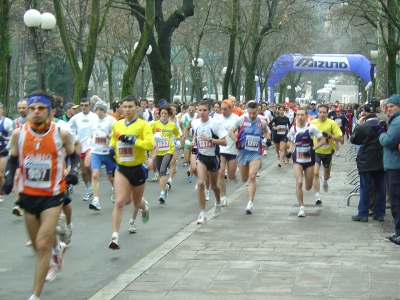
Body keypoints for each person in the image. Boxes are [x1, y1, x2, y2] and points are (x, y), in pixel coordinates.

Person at [3, 90, 79, 300]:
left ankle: (35, 295)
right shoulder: (20, 134)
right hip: (28, 195)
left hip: (52, 195)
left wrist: (72, 171)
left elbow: (74, 156)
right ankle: (57, 249)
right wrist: (9, 179)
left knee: (42, 244)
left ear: (50, 111)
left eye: (40, 108)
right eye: (32, 108)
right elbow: (12, 160)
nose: (35, 112)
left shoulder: (60, 133)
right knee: (37, 245)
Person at [108, 95, 154, 249]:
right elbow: (114, 140)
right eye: (124, 106)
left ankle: (144, 206)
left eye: (130, 107)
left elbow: (149, 144)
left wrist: (133, 141)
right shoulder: (117, 125)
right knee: (119, 201)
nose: (126, 110)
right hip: (122, 167)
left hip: (138, 168)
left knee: (135, 201)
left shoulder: (143, 125)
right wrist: (110, 148)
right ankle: (114, 237)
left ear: (136, 108)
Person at [229, 102, 271, 214]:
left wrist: (268, 139)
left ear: (258, 111)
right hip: (243, 152)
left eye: (254, 113)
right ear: (247, 111)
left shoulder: (261, 121)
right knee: (244, 179)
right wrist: (236, 141)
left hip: (255, 153)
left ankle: (250, 203)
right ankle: (240, 172)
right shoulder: (242, 120)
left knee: (252, 176)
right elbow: (231, 132)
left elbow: (267, 131)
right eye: (250, 113)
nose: (252, 115)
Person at [190, 100, 227, 224]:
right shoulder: (195, 123)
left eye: (204, 110)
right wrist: (192, 142)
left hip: (213, 157)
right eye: (200, 110)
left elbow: (224, 142)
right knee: (201, 182)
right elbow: (192, 131)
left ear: (209, 111)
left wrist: (210, 139)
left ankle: (217, 202)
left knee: (214, 185)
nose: (202, 113)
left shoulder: (215, 124)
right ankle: (202, 213)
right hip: (202, 157)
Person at [350, 100, 386, 222]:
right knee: (381, 187)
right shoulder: (383, 125)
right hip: (380, 160)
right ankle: (380, 212)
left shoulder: (364, 126)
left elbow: (354, 140)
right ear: (375, 111)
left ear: (364, 113)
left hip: (366, 160)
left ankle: (363, 213)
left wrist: (358, 126)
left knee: (365, 187)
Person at [287, 108, 325, 217]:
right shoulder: (293, 129)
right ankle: (301, 208)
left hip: (309, 160)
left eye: (302, 115)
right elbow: (292, 142)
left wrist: (314, 148)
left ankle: (312, 189)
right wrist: (290, 151)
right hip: (297, 159)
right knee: (299, 182)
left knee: (308, 186)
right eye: (297, 115)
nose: (300, 117)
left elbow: (322, 140)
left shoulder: (311, 128)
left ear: (306, 116)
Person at [373, 94, 400, 244]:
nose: (389, 109)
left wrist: (381, 133)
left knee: (396, 199)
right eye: (387, 106)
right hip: (394, 164)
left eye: (392, 106)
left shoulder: (397, 122)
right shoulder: (394, 121)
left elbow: (389, 142)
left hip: (396, 165)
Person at [311, 104, 343, 204]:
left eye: (324, 112)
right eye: (320, 112)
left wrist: (329, 136)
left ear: (327, 113)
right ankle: (317, 196)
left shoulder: (332, 123)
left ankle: (324, 180)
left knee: (327, 174)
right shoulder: (312, 123)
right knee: (315, 173)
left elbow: (340, 138)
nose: (322, 114)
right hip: (316, 151)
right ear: (317, 112)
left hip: (328, 152)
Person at [68, 98, 99, 201]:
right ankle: (89, 189)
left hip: (91, 145)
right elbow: (67, 128)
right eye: (82, 105)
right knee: (83, 171)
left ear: (90, 106)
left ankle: (93, 185)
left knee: (87, 164)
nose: (84, 107)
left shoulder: (94, 116)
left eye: (86, 105)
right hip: (80, 145)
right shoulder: (76, 117)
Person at [88, 101, 116, 211]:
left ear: (105, 110)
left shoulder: (111, 120)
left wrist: (108, 135)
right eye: (97, 110)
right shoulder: (93, 119)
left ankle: (114, 189)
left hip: (108, 152)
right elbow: (92, 130)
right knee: (95, 175)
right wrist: (90, 138)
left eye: (101, 110)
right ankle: (96, 200)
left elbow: (117, 133)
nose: (98, 112)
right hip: (96, 152)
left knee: (111, 177)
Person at [150, 105, 180, 203]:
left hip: (168, 150)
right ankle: (164, 188)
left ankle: (162, 193)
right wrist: (154, 137)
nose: (163, 115)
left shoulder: (172, 125)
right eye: (162, 114)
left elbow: (177, 133)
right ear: (159, 114)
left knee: (163, 169)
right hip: (158, 150)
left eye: (165, 114)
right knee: (160, 172)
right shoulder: (154, 124)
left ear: (168, 114)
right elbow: (148, 135)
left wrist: (178, 140)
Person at [215, 100, 240, 207]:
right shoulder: (217, 119)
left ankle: (234, 175)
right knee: (220, 172)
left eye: (226, 109)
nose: (223, 111)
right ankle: (223, 197)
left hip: (233, 150)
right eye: (222, 109)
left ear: (231, 108)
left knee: (230, 175)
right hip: (221, 149)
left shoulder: (237, 119)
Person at [0, 103, 13, 202]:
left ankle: (1, 193)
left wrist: (4, 138)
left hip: (3, 148)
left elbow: (14, 137)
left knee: (0, 174)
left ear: (2, 109)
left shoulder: (7, 122)